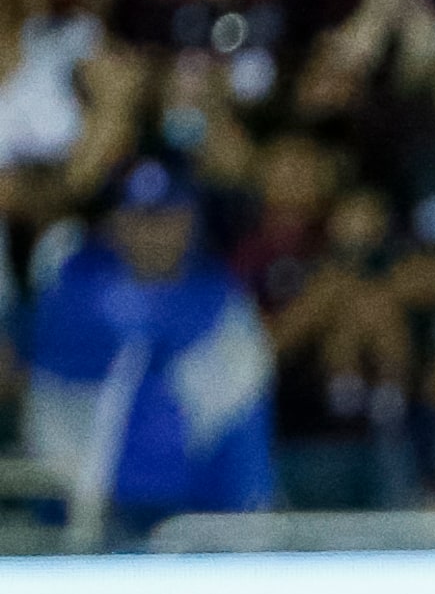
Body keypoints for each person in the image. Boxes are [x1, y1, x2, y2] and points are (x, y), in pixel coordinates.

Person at [27, 159, 275, 547]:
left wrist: (246, 523)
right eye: (140, 218)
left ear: (190, 221)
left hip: (202, 518)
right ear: (115, 223)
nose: (154, 233)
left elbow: (240, 418)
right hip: (90, 519)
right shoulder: (72, 294)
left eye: (167, 218)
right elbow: (54, 406)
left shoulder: (222, 303)